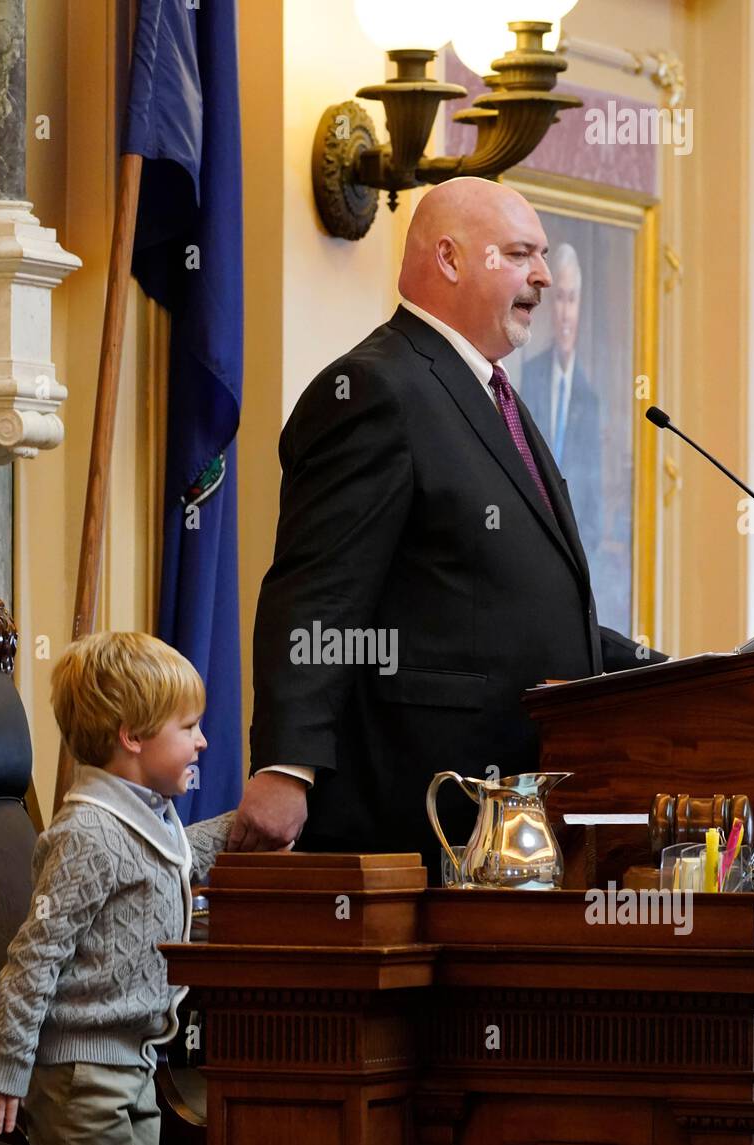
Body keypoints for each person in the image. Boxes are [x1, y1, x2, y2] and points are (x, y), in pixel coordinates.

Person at [229, 177, 666, 878]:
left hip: (516, 814)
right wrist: (289, 766)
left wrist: (669, 675)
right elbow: (317, 592)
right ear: (452, 259)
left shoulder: (493, 395)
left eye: (544, 256)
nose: (546, 277)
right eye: (521, 254)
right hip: (418, 812)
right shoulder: (376, 390)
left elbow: (512, 602)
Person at [0, 631, 234, 1145]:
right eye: (189, 727)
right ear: (133, 737)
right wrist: (6, 1063)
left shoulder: (145, 817)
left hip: (131, 1062)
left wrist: (246, 823)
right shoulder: (88, 832)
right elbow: (37, 953)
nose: (202, 742)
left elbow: (172, 862)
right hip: (80, 1077)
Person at [521, 242, 603, 561]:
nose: (564, 313)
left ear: (579, 306)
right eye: (558, 300)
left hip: (573, 550)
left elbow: (593, 502)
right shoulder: (529, 376)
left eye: (571, 300)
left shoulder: (589, 399)